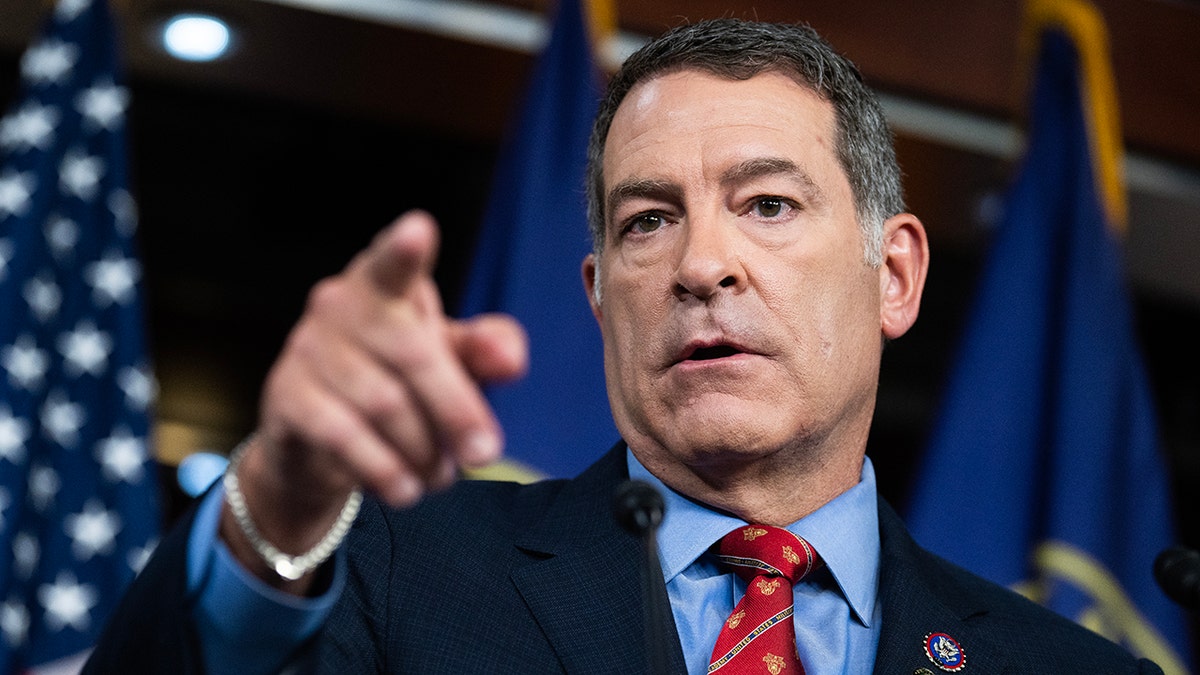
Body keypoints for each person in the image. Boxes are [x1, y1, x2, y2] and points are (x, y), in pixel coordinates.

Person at [85, 18, 1162, 674]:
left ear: (895, 275)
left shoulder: (1069, 668)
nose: (703, 264)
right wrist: (273, 501)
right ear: (600, 298)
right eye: (649, 220)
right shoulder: (395, 564)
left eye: (770, 205)